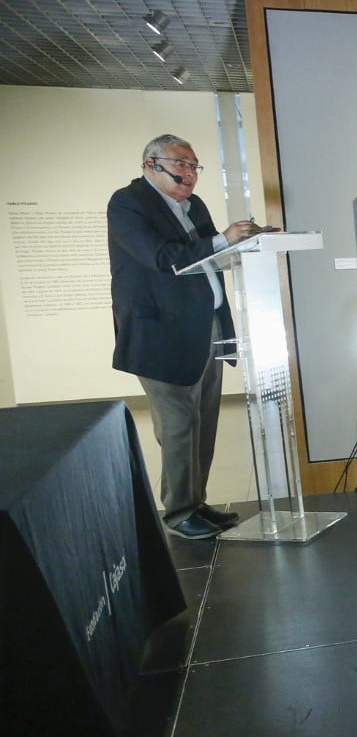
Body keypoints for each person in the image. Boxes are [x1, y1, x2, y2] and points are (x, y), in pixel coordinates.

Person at [109, 133, 265, 539]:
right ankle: (179, 512)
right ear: (151, 165)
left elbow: (210, 254)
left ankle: (196, 502)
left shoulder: (195, 206)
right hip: (161, 333)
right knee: (178, 423)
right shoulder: (128, 203)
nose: (190, 173)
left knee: (204, 420)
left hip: (206, 326)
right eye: (181, 164)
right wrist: (224, 240)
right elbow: (161, 257)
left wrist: (245, 246)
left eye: (194, 165)